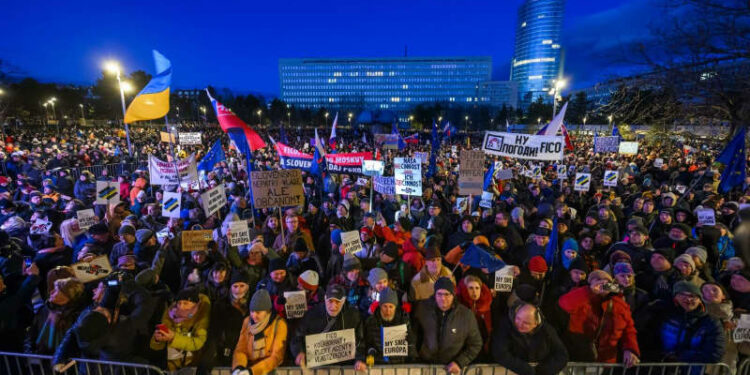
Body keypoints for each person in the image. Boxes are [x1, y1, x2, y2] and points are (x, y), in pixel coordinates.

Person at [558, 270, 640, 365]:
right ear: (590, 283)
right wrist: (590, 291)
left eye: (607, 281)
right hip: (579, 358)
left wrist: (630, 349)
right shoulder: (581, 295)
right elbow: (564, 304)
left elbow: (629, 329)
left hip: (606, 361)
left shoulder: (619, 304)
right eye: (598, 280)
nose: (603, 283)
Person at [412, 277, 483, 374]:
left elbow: (476, 344)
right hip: (425, 366)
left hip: (450, 368)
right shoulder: (422, 309)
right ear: (435, 294)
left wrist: (459, 362)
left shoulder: (466, 315)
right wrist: (416, 355)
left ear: (453, 295)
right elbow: (413, 333)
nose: (443, 298)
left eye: (447, 294)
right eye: (439, 294)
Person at [647, 281, 725, 363]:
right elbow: (649, 341)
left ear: (700, 300)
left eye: (693, 296)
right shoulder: (664, 316)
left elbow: (715, 353)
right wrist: (660, 356)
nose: (688, 299)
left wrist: (679, 357)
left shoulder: (711, 322)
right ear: (675, 297)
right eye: (682, 294)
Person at [289, 284, 364, 369]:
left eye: (337, 302)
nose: (333, 306)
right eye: (330, 301)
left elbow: (360, 341)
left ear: (343, 301)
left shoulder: (353, 316)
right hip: (317, 368)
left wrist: (359, 359)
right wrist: (299, 352)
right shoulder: (312, 314)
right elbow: (297, 337)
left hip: (345, 367)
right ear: (325, 299)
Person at [491, 302, 569, 375]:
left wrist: (542, 371)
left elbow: (562, 355)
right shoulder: (505, 326)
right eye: (518, 318)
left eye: (526, 323)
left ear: (535, 323)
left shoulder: (547, 331)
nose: (520, 324)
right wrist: (526, 370)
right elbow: (500, 353)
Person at [150, 287, 211, 371]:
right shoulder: (170, 315)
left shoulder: (201, 318)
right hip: (172, 367)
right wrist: (158, 339)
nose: (181, 306)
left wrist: (173, 337)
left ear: (195, 304)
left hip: (192, 367)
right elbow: (156, 347)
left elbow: (199, 342)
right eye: (179, 303)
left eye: (186, 303)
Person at [231, 289, 288, 375]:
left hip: (268, 370)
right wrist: (238, 368)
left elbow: (277, 356)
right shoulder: (247, 322)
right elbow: (241, 349)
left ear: (267, 311)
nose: (254, 315)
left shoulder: (279, 324)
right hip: (248, 368)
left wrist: (252, 371)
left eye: (258, 312)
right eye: (252, 311)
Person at [363, 288, 417, 364]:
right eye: (385, 306)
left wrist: (411, 358)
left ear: (395, 307)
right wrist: (371, 354)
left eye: (391, 307)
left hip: (399, 364)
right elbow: (368, 344)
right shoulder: (372, 321)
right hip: (379, 364)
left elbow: (410, 345)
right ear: (380, 306)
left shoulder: (403, 321)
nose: (388, 311)